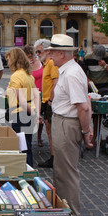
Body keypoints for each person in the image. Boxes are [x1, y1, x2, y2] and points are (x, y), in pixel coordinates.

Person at [46, 34, 93, 216]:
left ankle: (72, 214)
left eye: (52, 53)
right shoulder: (69, 70)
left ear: (62, 54)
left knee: (67, 172)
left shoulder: (72, 73)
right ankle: (63, 208)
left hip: (67, 123)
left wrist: (85, 131)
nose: (50, 57)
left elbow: (83, 106)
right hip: (63, 121)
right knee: (61, 170)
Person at [5, 47, 40, 167]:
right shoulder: (28, 75)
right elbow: (36, 95)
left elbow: (22, 101)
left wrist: (33, 113)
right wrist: (36, 112)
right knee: (27, 145)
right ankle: (29, 169)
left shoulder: (16, 76)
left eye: (9, 59)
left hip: (20, 114)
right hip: (27, 114)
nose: (7, 62)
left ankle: (25, 171)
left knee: (21, 147)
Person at [84, 44, 108, 146]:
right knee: (88, 113)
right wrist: (88, 81)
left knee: (98, 116)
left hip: (103, 88)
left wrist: (105, 66)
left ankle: (96, 137)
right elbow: (83, 73)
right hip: (91, 89)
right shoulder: (87, 58)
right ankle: (88, 135)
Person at [34, 39, 59, 168]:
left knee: (51, 130)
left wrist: (50, 100)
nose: (37, 54)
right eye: (36, 52)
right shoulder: (45, 64)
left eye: (39, 51)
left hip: (50, 101)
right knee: (49, 130)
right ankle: (53, 156)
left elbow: (56, 82)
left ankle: (55, 157)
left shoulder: (51, 64)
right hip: (45, 100)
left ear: (47, 51)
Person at [23, 45, 44, 147]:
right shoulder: (24, 65)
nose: (30, 59)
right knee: (30, 116)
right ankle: (29, 138)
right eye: (27, 57)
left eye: (31, 56)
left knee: (41, 118)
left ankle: (39, 137)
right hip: (30, 94)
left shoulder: (41, 63)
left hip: (41, 93)